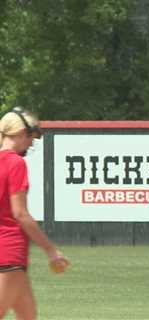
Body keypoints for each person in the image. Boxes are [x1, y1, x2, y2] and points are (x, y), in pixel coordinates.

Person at [0, 107, 69, 320]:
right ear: (20, 133)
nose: (32, 142)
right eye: (31, 137)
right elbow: (20, 214)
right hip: (8, 255)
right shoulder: (15, 163)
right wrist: (51, 250)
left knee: (28, 316)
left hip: (11, 262)